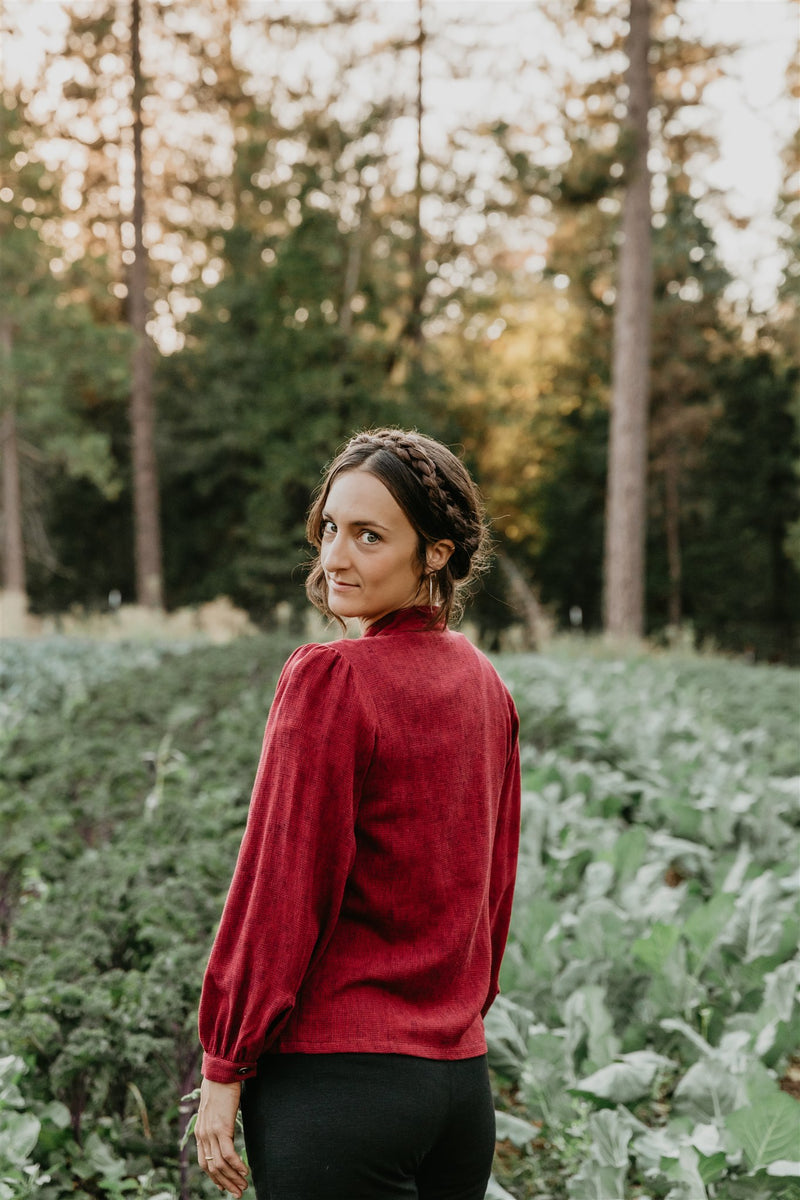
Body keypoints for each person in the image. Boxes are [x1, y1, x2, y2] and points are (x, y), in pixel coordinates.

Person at [194, 428, 521, 1200]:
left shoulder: (333, 680)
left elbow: (279, 890)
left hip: (340, 1093)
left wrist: (224, 1062)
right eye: (331, 528)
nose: (335, 556)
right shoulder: (488, 686)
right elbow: (493, 895)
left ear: (435, 552)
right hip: (460, 1095)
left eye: (369, 535)